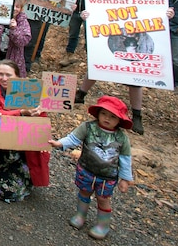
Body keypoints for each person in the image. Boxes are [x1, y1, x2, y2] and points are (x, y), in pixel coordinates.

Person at [73, 0, 149, 134]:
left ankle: (137, 115)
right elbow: (95, 10)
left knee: (135, 78)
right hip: (110, 36)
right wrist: (87, 14)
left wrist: (167, 14)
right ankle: (80, 94)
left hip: (135, 38)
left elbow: (156, 13)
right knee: (96, 65)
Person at [49, 95, 133, 240]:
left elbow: (125, 158)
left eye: (112, 116)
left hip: (107, 175)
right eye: (104, 114)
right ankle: (81, 215)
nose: (107, 118)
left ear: (119, 120)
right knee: (84, 191)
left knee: (103, 198)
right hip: (86, 169)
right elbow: (73, 138)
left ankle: (103, 225)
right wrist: (60, 143)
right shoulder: (89, 127)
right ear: (98, 113)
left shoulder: (121, 137)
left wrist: (125, 178)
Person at [0, 59, 49, 202]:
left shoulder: (30, 90)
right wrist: (21, 112)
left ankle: (22, 178)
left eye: (8, 75)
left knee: (5, 192)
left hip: (22, 148)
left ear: (17, 76)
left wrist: (37, 112)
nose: (4, 78)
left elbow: (41, 124)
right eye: (0, 74)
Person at [8, 0, 48, 73]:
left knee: (30, 42)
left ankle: (25, 68)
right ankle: (13, 67)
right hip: (17, 18)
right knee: (15, 40)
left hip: (33, 18)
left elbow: (45, 1)